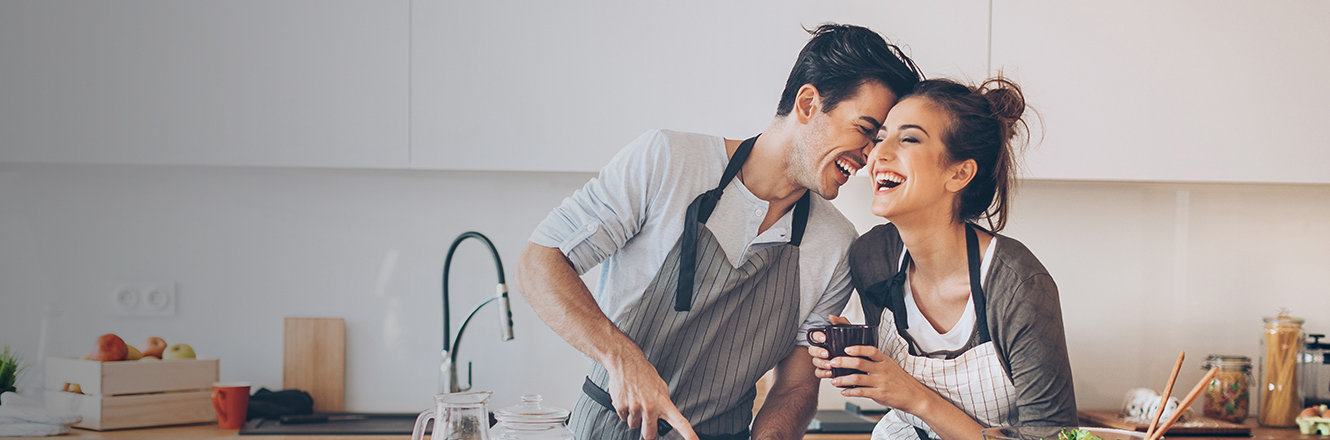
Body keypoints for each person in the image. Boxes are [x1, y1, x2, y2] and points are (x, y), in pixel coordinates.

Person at [513, 24, 922, 440]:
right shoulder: (668, 162)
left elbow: (796, 386)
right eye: (866, 129)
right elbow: (539, 261)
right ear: (807, 103)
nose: (872, 155)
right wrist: (621, 358)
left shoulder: (835, 244)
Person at [808, 77, 1077, 440]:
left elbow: (1054, 439)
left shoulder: (1018, 285)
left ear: (959, 173)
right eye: (881, 136)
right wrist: (862, 362)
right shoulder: (873, 257)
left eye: (909, 138)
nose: (878, 154)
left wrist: (913, 396)